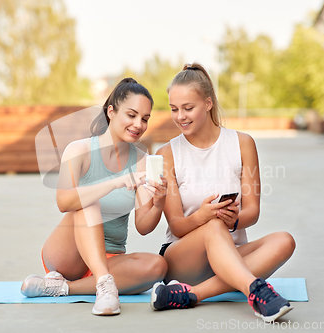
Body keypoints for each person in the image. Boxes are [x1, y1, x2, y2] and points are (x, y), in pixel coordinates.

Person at [150, 64, 296, 323]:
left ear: (208, 103)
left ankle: (191, 295)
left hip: (231, 252)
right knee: (214, 226)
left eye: (188, 108)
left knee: (285, 240)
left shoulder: (242, 144)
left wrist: (235, 221)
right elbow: (176, 225)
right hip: (184, 258)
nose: (180, 116)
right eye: (174, 109)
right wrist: (203, 217)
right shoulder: (168, 154)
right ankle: (256, 291)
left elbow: (253, 211)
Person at [21, 78, 168, 316]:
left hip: (112, 256)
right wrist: (115, 182)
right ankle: (105, 286)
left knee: (158, 266)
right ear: (111, 111)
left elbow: (143, 226)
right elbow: (64, 202)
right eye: (131, 115)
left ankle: (63, 288)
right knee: (88, 202)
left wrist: (159, 203)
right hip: (68, 255)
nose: (138, 124)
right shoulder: (79, 150)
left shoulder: (141, 159)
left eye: (145, 118)